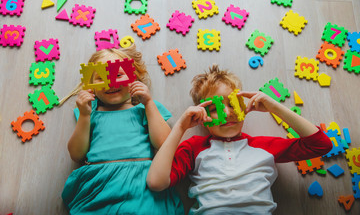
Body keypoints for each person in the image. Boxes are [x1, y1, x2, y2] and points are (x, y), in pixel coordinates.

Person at [146, 64, 332, 215]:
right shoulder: (194, 147)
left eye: (233, 104)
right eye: (214, 108)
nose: (226, 113)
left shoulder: (264, 146)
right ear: (202, 118)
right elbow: (156, 182)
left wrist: (274, 107)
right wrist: (180, 126)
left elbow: (321, 145)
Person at [60, 45, 184, 215]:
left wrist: (148, 103)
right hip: (100, 181)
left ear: (134, 78)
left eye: (118, 75)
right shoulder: (90, 113)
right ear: (91, 86)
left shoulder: (144, 108)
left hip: (140, 182)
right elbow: (76, 154)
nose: (111, 82)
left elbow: (164, 143)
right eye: (101, 77)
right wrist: (84, 115)